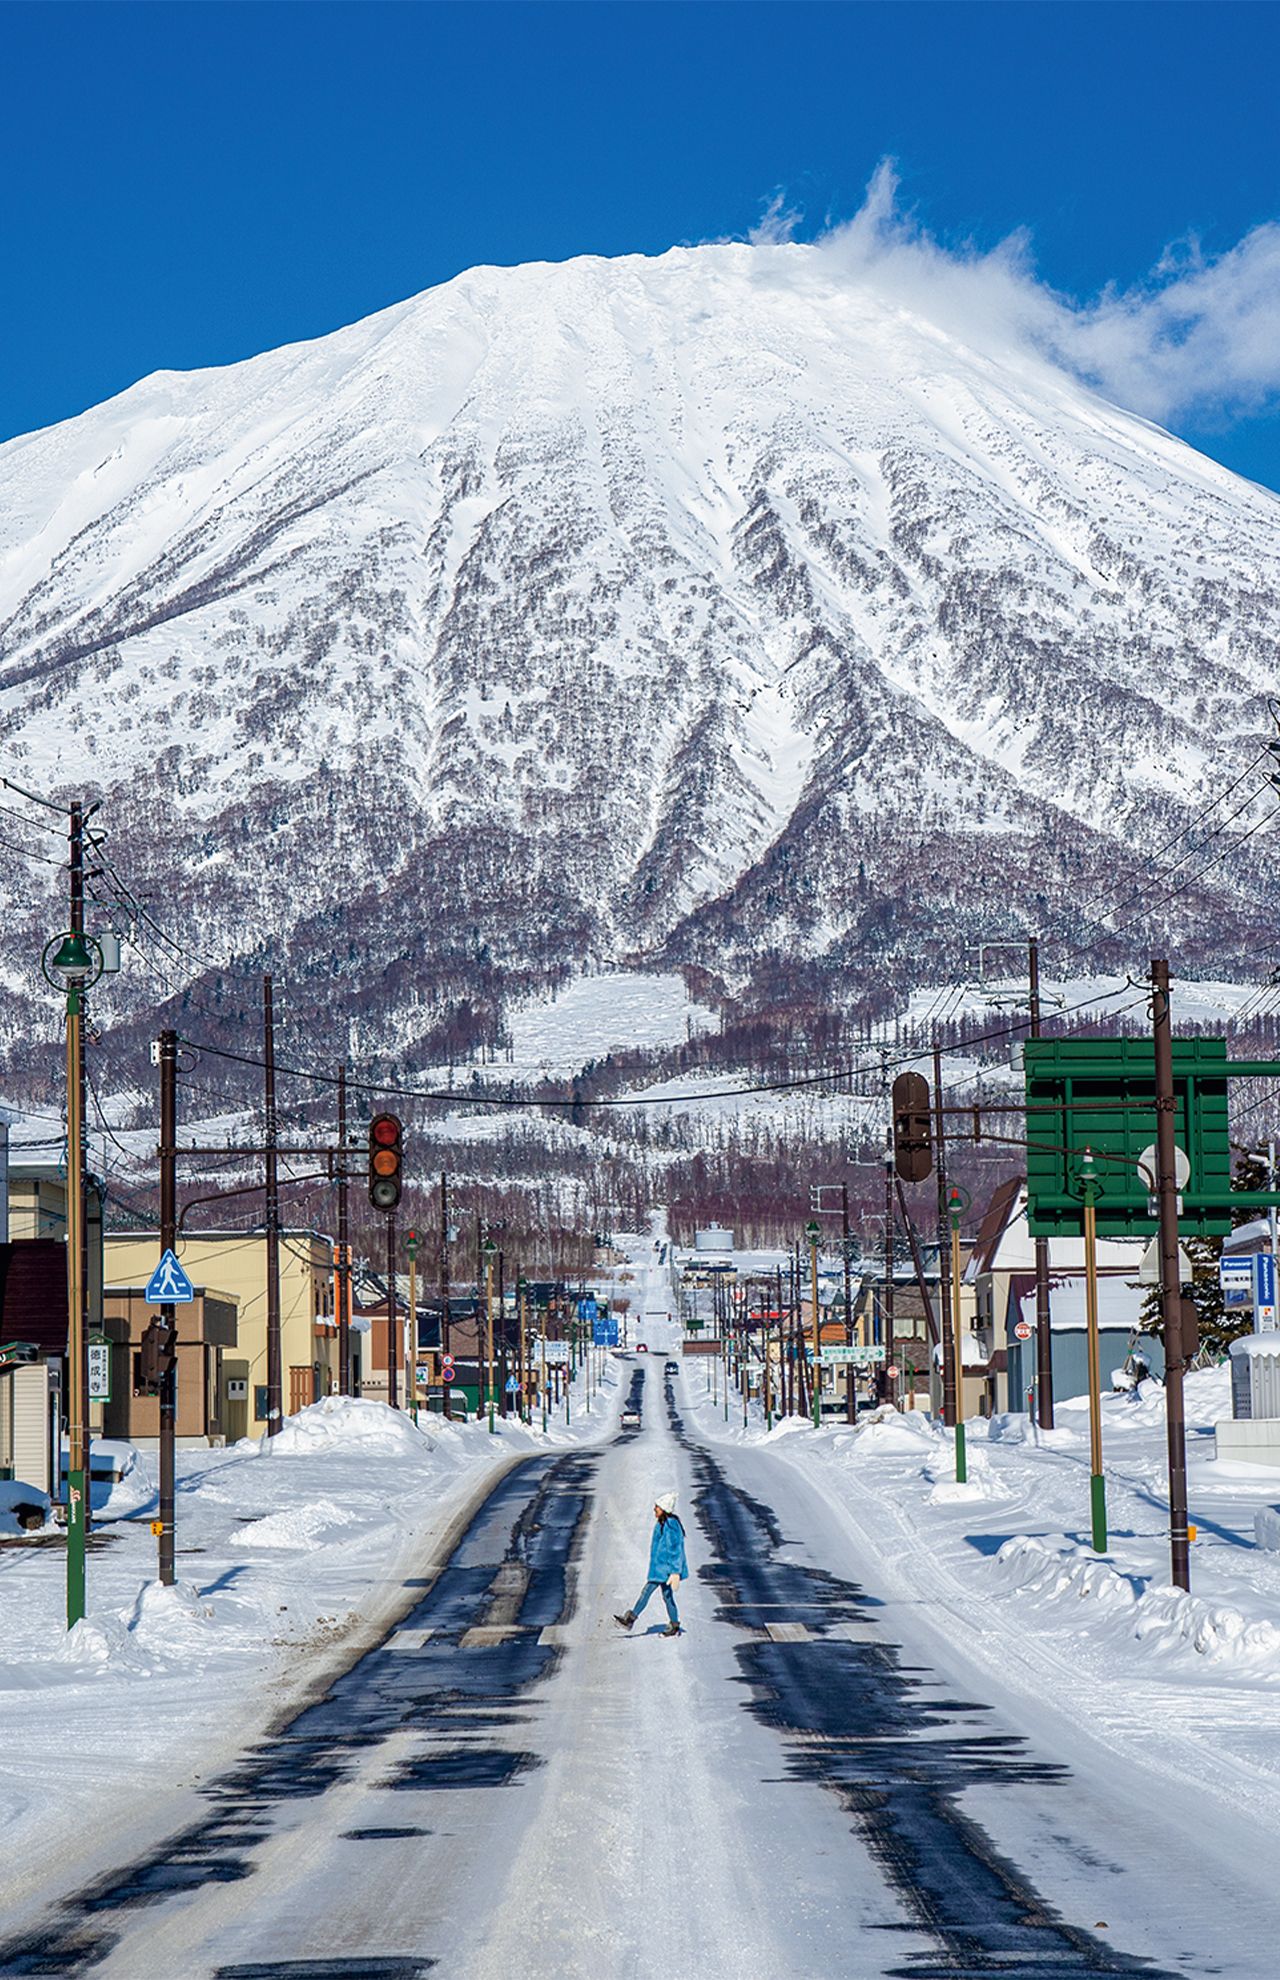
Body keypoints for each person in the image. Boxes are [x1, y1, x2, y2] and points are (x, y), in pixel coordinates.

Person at [615, 1490, 688, 1637]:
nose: (654, 1509)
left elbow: (675, 1549)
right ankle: (674, 1625)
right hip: (662, 1569)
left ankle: (630, 1619)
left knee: (647, 1592)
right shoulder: (663, 1523)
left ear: (664, 1509)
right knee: (667, 1597)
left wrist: (675, 1572)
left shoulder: (671, 1525)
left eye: (657, 1507)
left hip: (665, 1570)